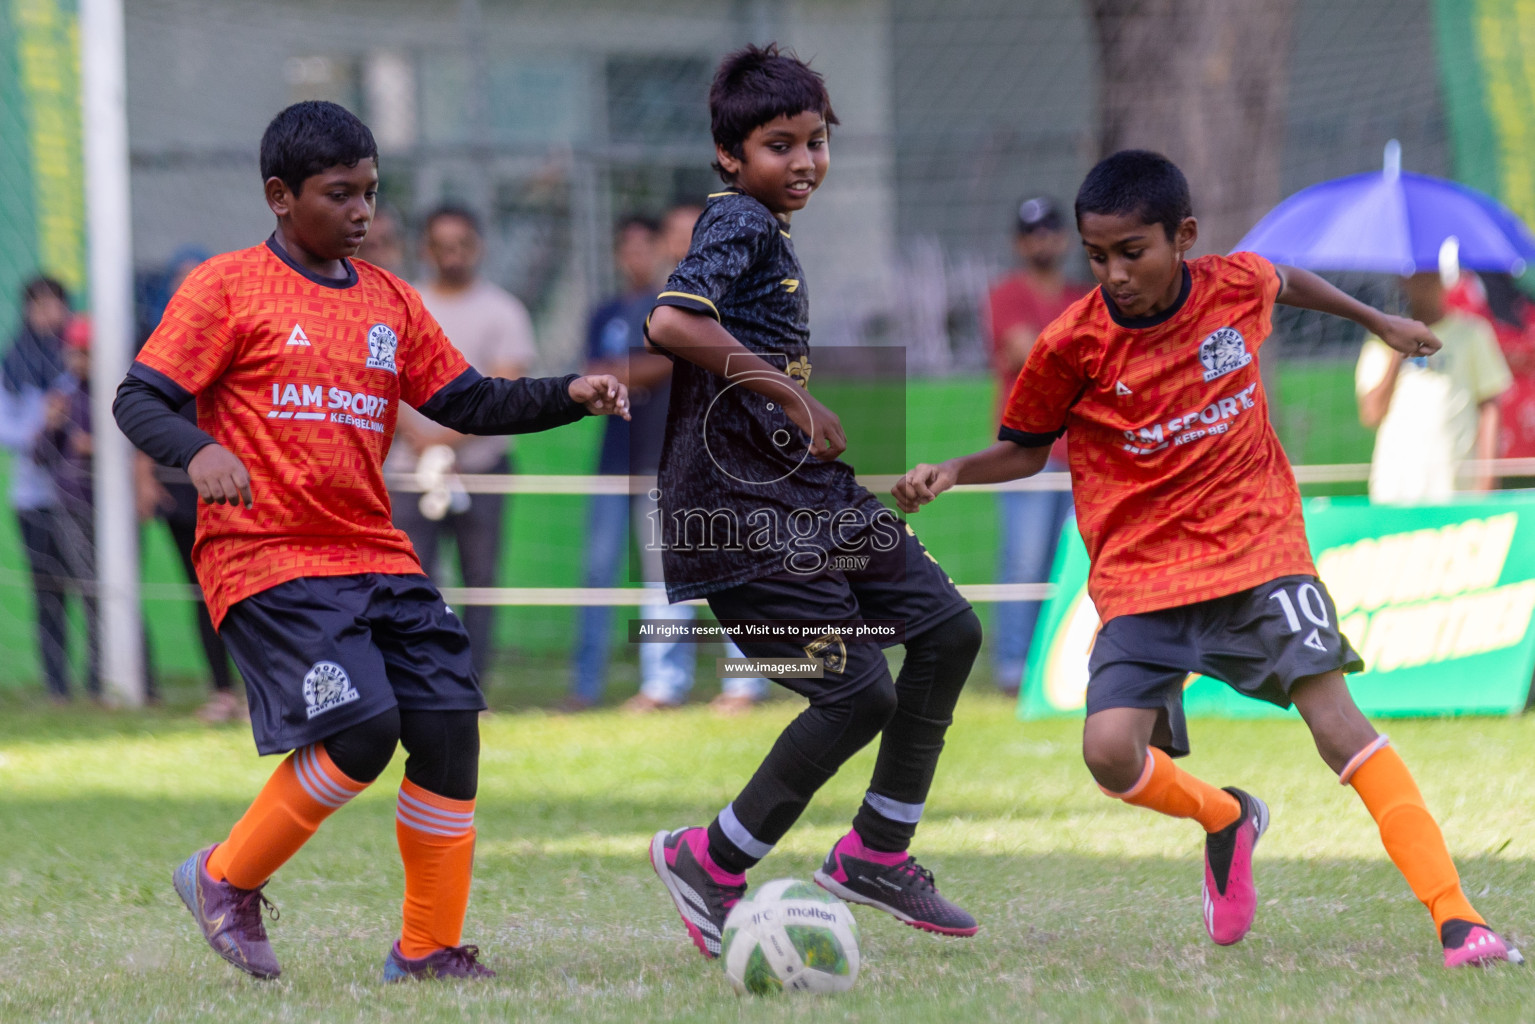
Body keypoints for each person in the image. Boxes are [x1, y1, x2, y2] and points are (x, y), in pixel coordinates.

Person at [894, 149, 1519, 968]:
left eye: (1131, 252)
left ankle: (1456, 919)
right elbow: (1023, 447)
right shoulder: (1070, 345)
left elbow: (1284, 279)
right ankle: (1225, 816)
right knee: (1109, 753)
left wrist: (1378, 324)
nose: (1113, 273)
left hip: (1258, 550)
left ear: (1181, 236)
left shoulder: (1231, 286)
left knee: (1337, 725)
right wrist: (954, 472)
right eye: (1097, 256)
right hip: (1142, 574)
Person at [113, 100, 628, 983]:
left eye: (371, 194)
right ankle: (223, 878)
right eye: (340, 195)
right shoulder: (226, 286)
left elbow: (464, 401)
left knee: (447, 726)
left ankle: (426, 950)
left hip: (374, 554)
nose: (363, 214)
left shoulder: (391, 301)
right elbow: (139, 398)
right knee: (361, 728)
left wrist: (566, 392)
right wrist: (199, 453)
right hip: (267, 556)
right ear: (280, 196)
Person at [645, 45, 984, 959]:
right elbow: (671, 321)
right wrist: (792, 394)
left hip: (807, 495)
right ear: (730, 157)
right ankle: (707, 862)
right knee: (854, 693)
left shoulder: (767, 229)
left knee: (947, 629)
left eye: (815, 142)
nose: (802, 161)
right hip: (743, 516)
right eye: (777, 144)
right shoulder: (739, 224)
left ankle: (876, 851)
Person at [567, 211, 768, 714]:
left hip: (702, 458)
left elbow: (672, 362)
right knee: (645, 577)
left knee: (724, 569)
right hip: (629, 459)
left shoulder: (697, 306)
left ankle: (744, 684)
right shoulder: (609, 311)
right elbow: (594, 374)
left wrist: (626, 372)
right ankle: (658, 684)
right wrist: (625, 373)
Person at [385, 204, 537, 687]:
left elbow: (506, 388)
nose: (452, 256)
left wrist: (439, 437)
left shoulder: (504, 310)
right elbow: (380, 382)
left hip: (481, 466)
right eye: (441, 246)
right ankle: (423, 682)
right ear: (425, 249)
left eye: (461, 245)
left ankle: (473, 685)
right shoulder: (403, 304)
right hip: (408, 469)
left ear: (479, 247)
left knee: (480, 583)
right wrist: (418, 439)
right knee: (413, 582)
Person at [135, 246, 244, 723]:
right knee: (204, 589)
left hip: (237, 484)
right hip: (181, 489)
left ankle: (267, 692)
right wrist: (143, 473)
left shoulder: (235, 336)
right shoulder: (156, 344)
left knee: (251, 590)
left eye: (195, 279)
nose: (188, 289)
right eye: (179, 279)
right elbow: (143, 408)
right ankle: (222, 692)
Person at [985, 196, 1090, 693]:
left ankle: (1067, 667)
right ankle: (1013, 670)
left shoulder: (1082, 296)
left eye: (1050, 231)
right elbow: (1029, 353)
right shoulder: (1006, 295)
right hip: (1026, 454)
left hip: (1084, 456)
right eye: (1032, 233)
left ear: (1064, 238)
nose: (1042, 242)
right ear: (1018, 242)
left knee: (1077, 563)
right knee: (1024, 564)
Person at [1356, 271, 1512, 503]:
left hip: (1457, 488)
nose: (1426, 282)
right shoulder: (1380, 341)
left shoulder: (1471, 333)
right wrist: (1397, 350)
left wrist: (1487, 479)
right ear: (1403, 280)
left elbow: (1490, 407)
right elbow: (1371, 414)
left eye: (1432, 274)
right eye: (1418, 275)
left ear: (1444, 279)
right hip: (1396, 487)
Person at [0, 277, 80, 702]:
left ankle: (104, 681)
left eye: (55, 304)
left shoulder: (80, 361)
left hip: (82, 496)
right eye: (39, 305)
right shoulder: (12, 365)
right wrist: (42, 429)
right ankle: (57, 686)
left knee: (93, 589)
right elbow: (5, 428)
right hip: (34, 498)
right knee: (48, 592)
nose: (48, 314)